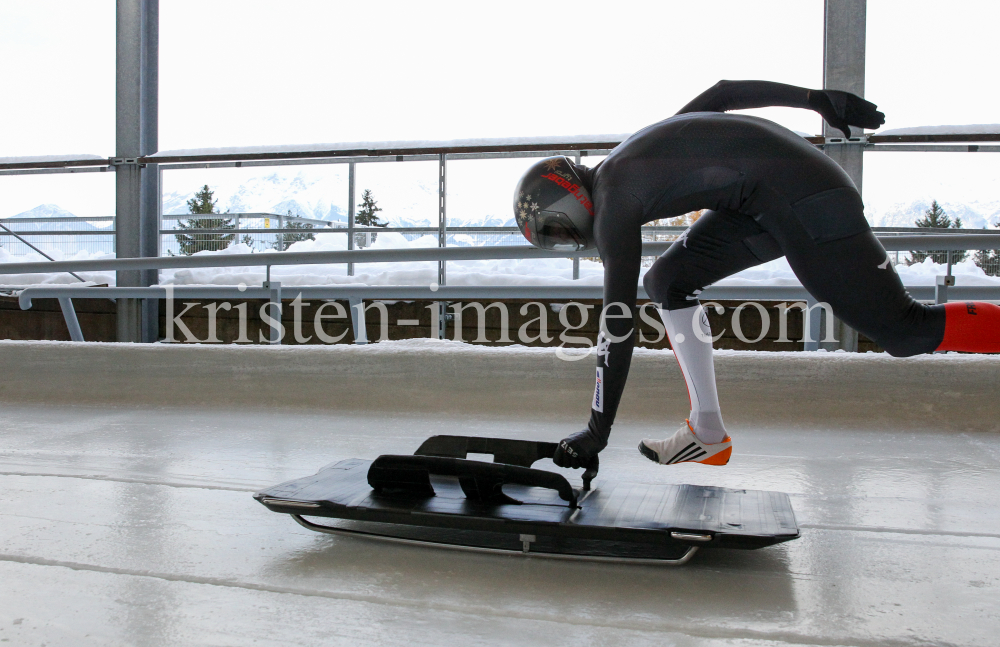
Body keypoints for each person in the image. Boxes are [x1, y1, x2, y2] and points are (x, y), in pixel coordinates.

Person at [513, 80, 1000, 470]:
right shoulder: (626, 159)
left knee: (903, 330)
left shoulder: (613, 206)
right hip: (770, 199)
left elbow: (616, 326)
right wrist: (815, 100)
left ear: (568, 207)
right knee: (668, 281)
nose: (570, 242)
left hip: (806, 202)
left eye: (556, 234)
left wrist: (597, 432)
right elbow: (723, 94)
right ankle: (706, 433)